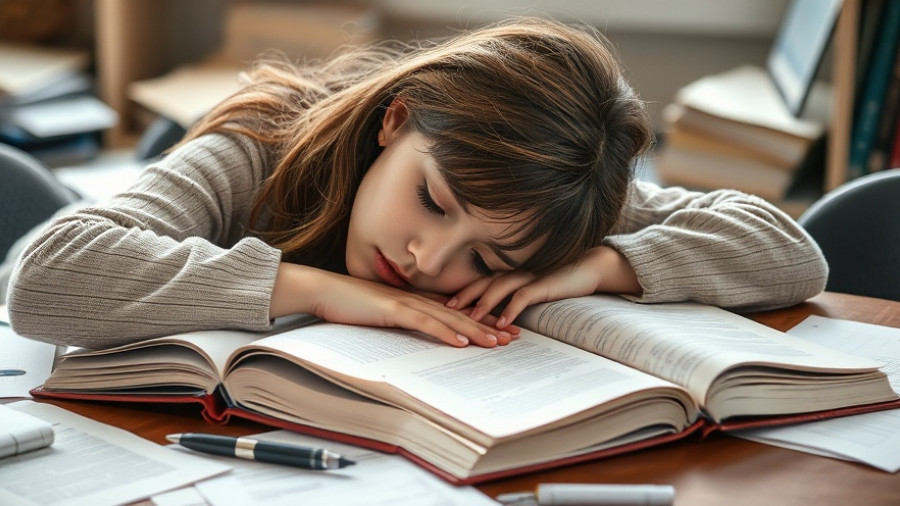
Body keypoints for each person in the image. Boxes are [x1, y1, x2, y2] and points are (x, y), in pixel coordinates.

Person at [6, 17, 827, 350]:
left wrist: (595, 265)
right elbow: (42, 276)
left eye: (489, 255)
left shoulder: (547, 206)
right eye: (433, 199)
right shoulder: (259, 149)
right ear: (396, 120)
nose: (429, 257)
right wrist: (324, 291)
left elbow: (790, 252)